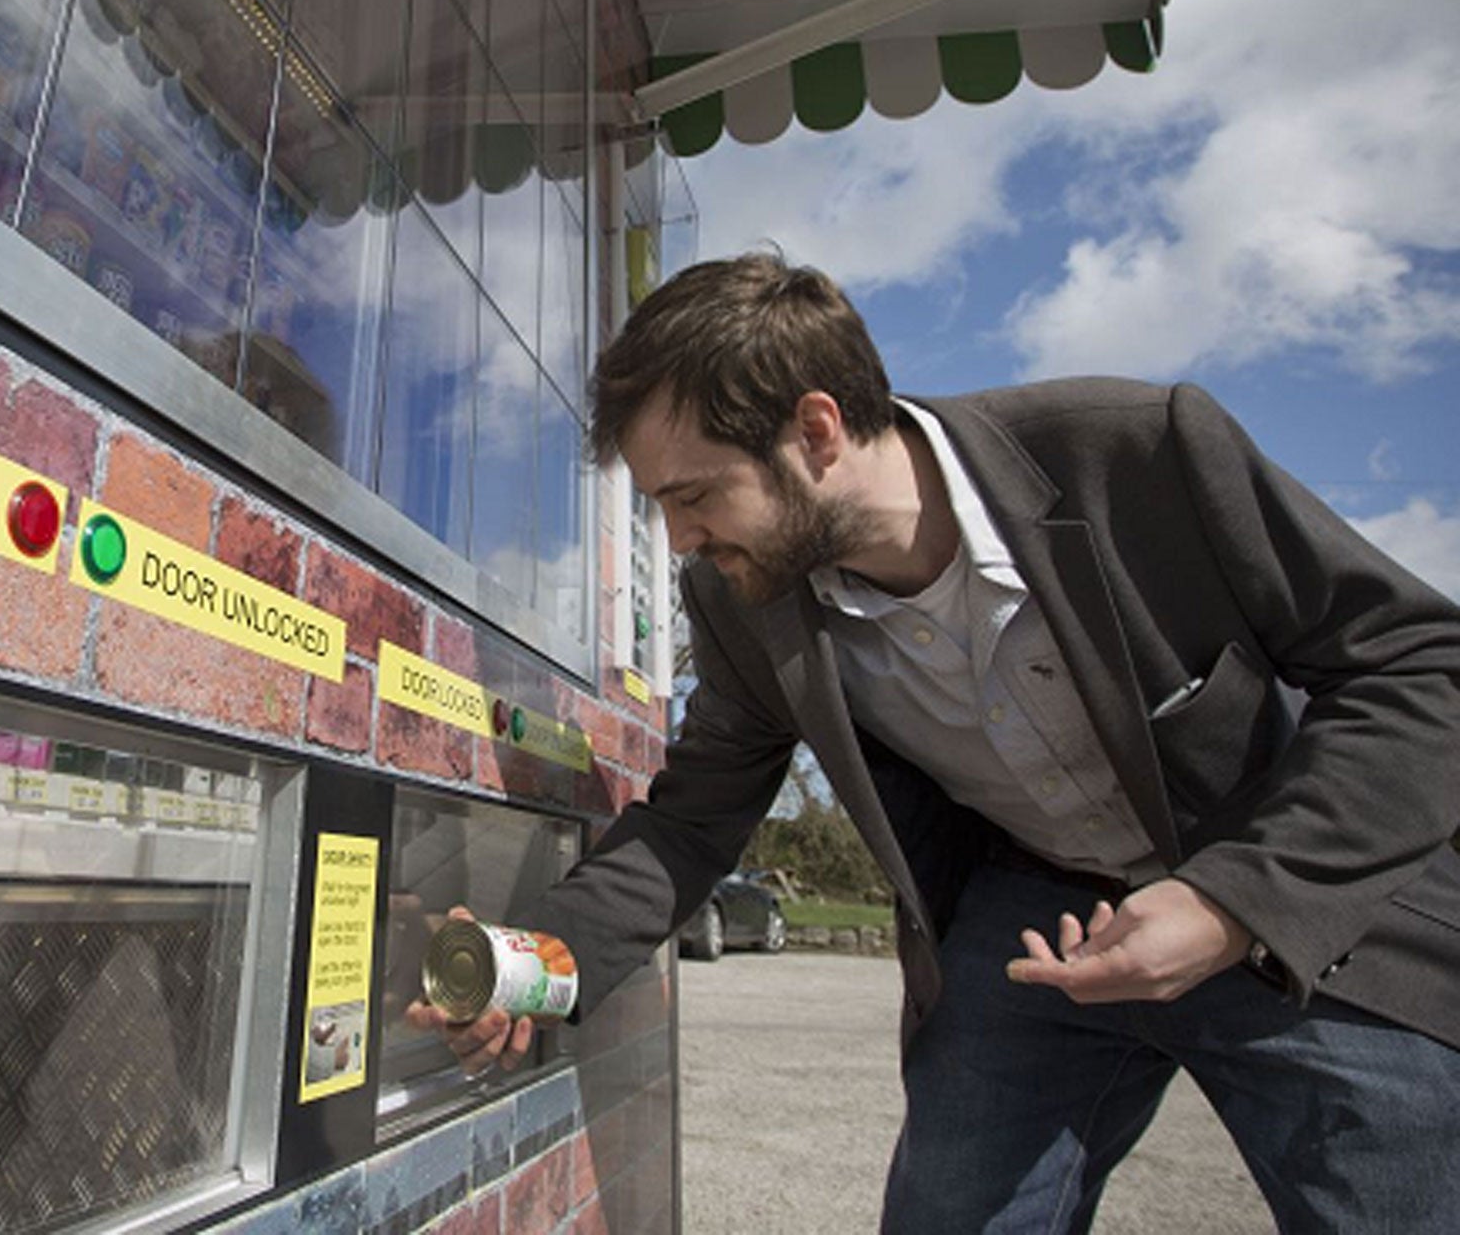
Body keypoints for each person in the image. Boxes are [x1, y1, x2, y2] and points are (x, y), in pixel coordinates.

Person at [408, 252, 1460, 1231]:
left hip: (1285, 897)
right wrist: (547, 954)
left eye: (693, 495)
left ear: (814, 431)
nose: (681, 540)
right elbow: (692, 820)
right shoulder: (738, 601)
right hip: (1032, 918)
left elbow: (1421, 665)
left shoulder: (1139, 448)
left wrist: (1229, 903)